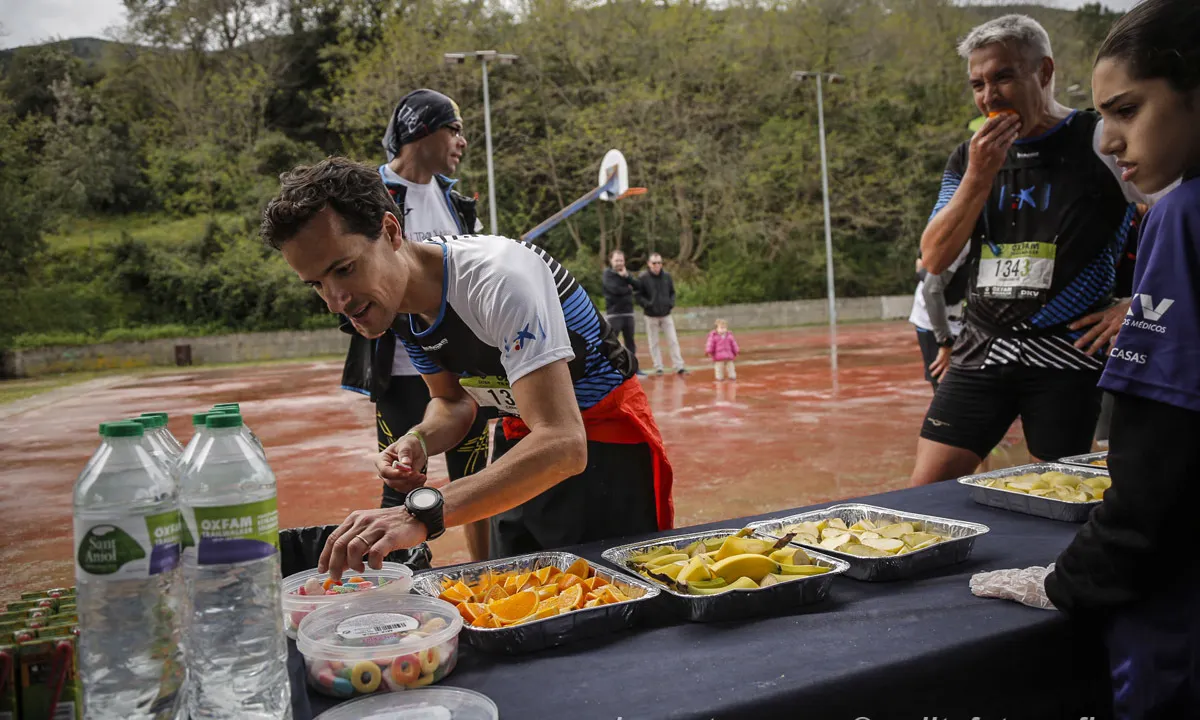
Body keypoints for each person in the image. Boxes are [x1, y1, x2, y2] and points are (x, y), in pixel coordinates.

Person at [261, 158, 675, 578]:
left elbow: (566, 444)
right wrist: (418, 440)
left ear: (390, 232)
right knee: (512, 599)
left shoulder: (498, 280)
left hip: (601, 446)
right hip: (522, 441)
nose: (335, 301)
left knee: (606, 615)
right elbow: (452, 400)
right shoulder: (399, 305)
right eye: (316, 284)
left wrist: (420, 514)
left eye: (344, 269)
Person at [970, 2, 1200, 716]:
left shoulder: (1182, 213)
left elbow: (1161, 448)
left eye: (1128, 109)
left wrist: (1075, 577)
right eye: (1103, 115)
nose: (1110, 137)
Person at [911, 14, 1155, 485]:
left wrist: (1138, 303)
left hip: (1068, 350)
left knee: (1059, 494)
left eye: (1003, 77)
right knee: (925, 492)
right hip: (982, 347)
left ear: (1044, 72)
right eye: (977, 84)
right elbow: (934, 257)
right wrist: (980, 174)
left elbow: (1176, 216)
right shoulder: (969, 155)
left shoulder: (1101, 139)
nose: (989, 96)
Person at [337, 88, 493, 561]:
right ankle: (402, 580)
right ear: (422, 131)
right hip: (399, 371)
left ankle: (485, 572)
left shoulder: (457, 202)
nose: (463, 142)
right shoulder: (370, 196)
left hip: (462, 368)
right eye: (455, 129)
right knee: (401, 481)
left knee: (475, 483)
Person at [909, 251, 969, 391]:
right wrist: (945, 342)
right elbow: (930, 287)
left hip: (968, 318)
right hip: (932, 317)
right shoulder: (961, 238)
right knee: (945, 383)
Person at [638, 252, 686, 374]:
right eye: (654, 263)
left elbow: (672, 292)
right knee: (654, 342)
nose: (657, 265)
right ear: (649, 264)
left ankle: (679, 366)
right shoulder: (643, 278)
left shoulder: (667, 276)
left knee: (673, 340)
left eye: (659, 262)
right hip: (650, 316)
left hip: (666, 314)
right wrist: (647, 305)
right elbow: (638, 295)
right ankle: (658, 366)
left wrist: (671, 303)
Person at [601, 250, 641, 360]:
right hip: (614, 314)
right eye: (617, 260)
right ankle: (610, 368)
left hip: (628, 313)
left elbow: (638, 286)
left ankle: (633, 369)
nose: (619, 263)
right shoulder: (607, 274)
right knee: (612, 342)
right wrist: (629, 289)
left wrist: (627, 276)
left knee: (630, 342)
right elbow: (615, 290)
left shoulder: (626, 273)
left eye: (621, 260)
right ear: (611, 261)